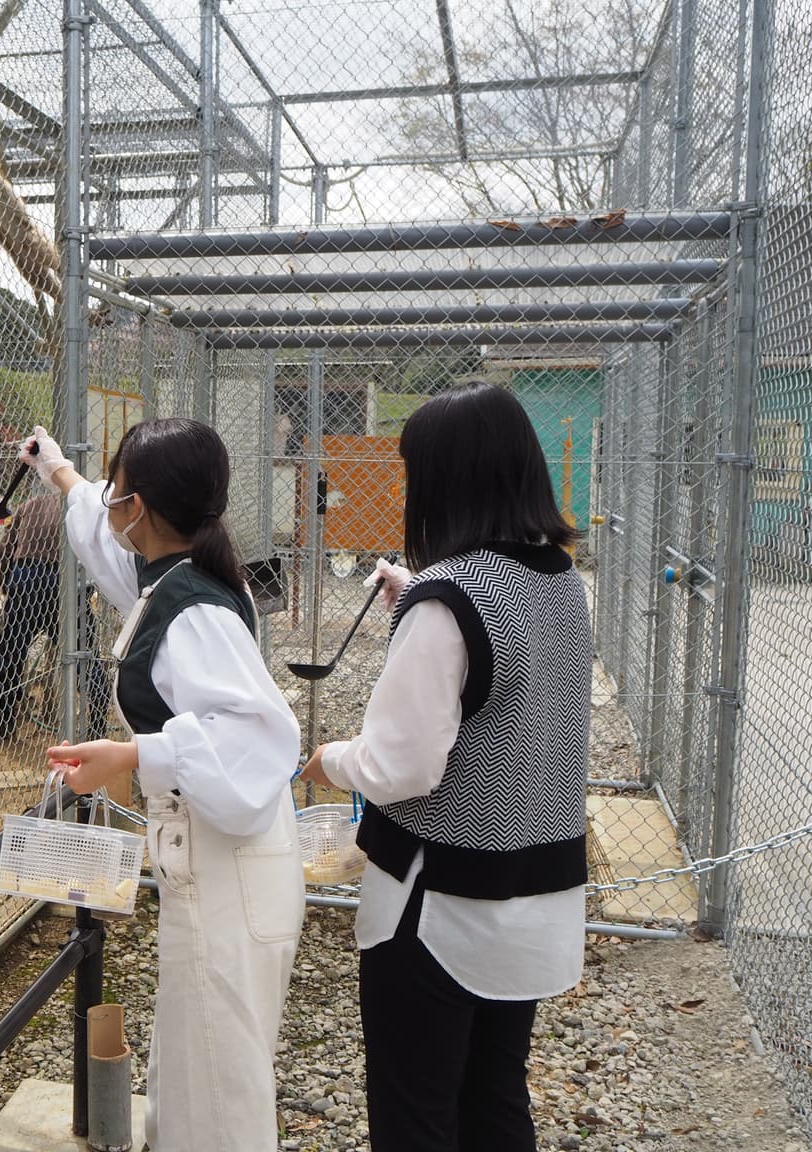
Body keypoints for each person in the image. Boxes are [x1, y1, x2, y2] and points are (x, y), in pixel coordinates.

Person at [299, 381, 589, 1152]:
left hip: (440, 908)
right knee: (495, 1099)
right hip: (533, 896)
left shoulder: (446, 599)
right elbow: (503, 661)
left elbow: (401, 766)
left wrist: (328, 761)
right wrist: (420, 600)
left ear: (446, 480)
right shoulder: (561, 581)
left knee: (416, 1113)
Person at [21, 417, 303, 1152]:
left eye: (116, 489)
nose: (107, 501)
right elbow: (97, 531)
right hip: (215, 859)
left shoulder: (195, 614)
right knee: (195, 1064)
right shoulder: (173, 578)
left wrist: (132, 755)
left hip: (229, 865)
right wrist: (57, 469)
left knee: (218, 1088)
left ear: (139, 507)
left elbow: (260, 739)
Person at [0, 489, 111, 739]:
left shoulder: (31, 504)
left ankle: (5, 722)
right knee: (85, 654)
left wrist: (6, 584)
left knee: (11, 651)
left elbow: (4, 549)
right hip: (64, 582)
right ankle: (98, 724)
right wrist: (88, 590)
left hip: (26, 577)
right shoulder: (83, 507)